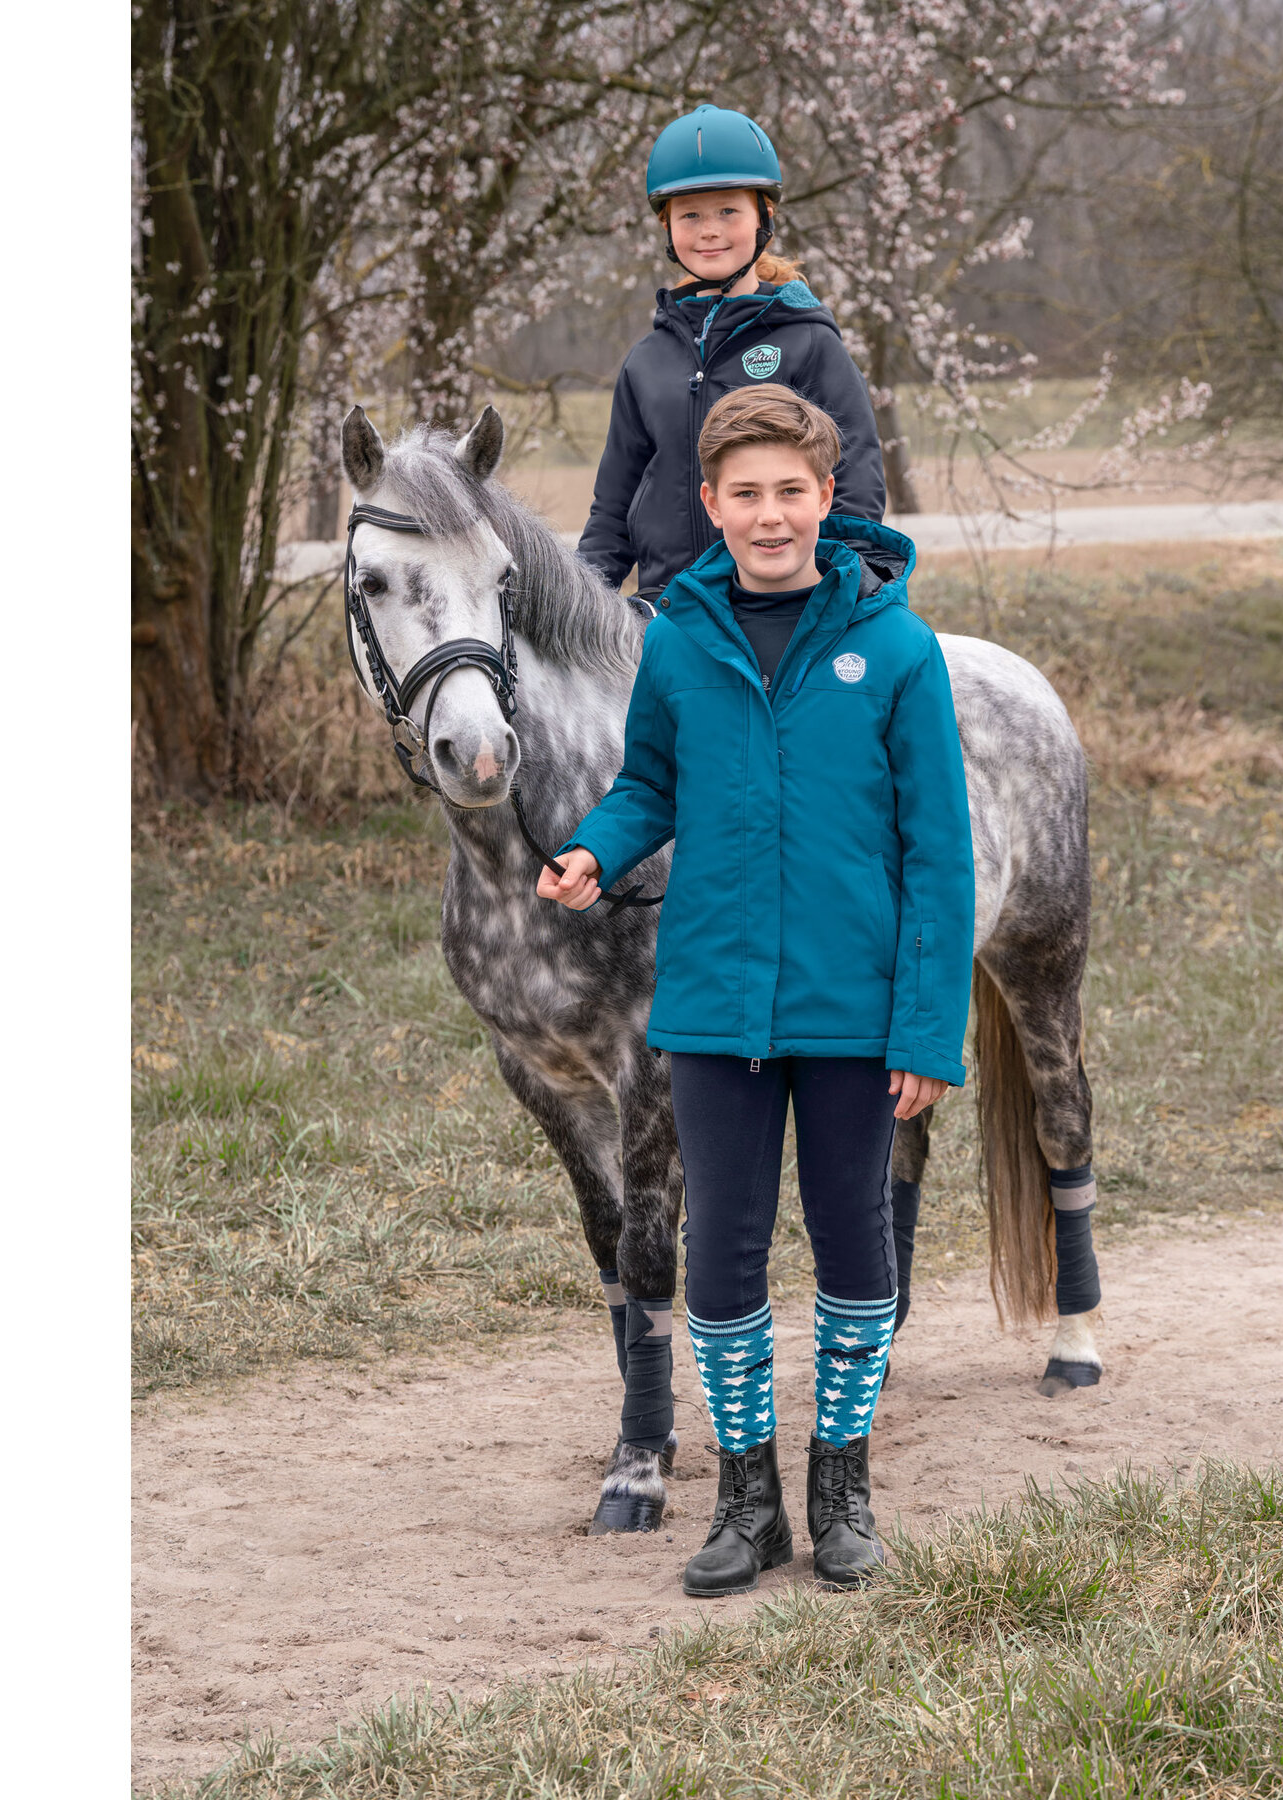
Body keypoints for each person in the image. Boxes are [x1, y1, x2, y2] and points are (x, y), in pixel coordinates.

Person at [538, 386, 974, 1597]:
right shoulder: (678, 638)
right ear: (709, 505)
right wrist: (593, 848)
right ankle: (746, 1505)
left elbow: (939, 856)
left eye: (792, 491)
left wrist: (926, 1030)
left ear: (827, 501)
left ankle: (841, 1494)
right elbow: (649, 784)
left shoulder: (894, 648)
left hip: (853, 1015)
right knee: (722, 1260)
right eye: (746, 494)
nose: (770, 514)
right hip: (716, 1008)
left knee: (854, 1249)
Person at [576, 103, 886, 611]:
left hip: (785, 605)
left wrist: (843, 589)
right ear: (668, 227)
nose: (709, 230)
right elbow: (612, 506)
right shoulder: (646, 362)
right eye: (690, 215)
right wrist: (577, 602)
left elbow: (855, 475)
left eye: (727, 211)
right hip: (670, 609)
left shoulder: (807, 342)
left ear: (763, 217)